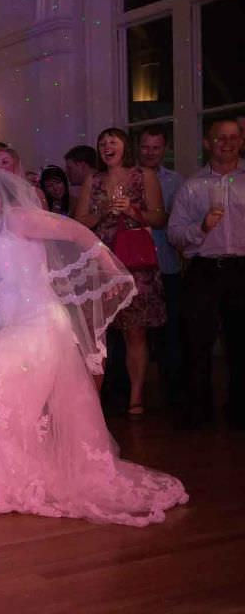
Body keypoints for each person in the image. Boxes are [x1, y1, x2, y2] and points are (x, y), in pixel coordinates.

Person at [0, 167, 187, 525]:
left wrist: (110, 268)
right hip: (2, 334)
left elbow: (76, 230)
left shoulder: (19, 222)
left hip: (38, 327)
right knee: (14, 410)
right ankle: (3, 480)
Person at [74, 128, 166, 416]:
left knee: (135, 333)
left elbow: (160, 217)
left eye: (112, 142)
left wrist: (132, 211)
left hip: (134, 264)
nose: (106, 147)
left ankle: (135, 397)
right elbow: (78, 223)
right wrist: (101, 211)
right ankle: (96, 396)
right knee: (96, 333)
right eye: (102, 143)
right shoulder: (94, 179)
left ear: (125, 146)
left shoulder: (144, 176)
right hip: (101, 264)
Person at [168, 118, 245, 428]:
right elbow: (174, 233)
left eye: (232, 137)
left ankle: (240, 413)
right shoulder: (192, 185)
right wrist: (200, 229)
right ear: (207, 143)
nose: (226, 143)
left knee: (242, 344)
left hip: (242, 268)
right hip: (204, 269)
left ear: (241, 141)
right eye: (219, 138)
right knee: (196, 343)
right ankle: (198, 415)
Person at [138, 125, 184, 407]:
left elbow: (176, 223)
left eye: (156, 147)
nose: (151, 152)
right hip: (133, 267)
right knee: (135, 334)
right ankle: (134, 393)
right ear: (137, 147)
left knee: (171, 334)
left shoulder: (177, 181)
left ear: (164, 149)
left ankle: (173, 394)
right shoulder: (127, 177)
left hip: (166, 264)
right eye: (145, 146)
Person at [64, 144, 98, 209]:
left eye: (69, 168)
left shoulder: (99, 187)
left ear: (82, 166)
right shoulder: (77, 190)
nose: (66, 172)